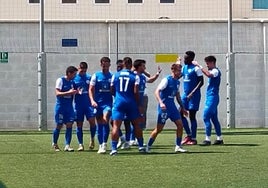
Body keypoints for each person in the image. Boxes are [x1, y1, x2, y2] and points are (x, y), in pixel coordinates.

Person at [146, 63, 187, 153]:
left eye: (180, 71)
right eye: (178, 71)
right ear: (173, 70)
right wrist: (161, 103)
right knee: (159, 129)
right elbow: (157, 91)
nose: (180, 72)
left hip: (172, 107)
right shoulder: (166, 80)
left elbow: (178, 96)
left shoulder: (177, 82)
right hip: (164, 108)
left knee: (180, 125)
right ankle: (148, 146)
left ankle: (178, 146)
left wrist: (183, 108)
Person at [110, 57, 145, 156]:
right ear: (131, 65)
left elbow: (112, 89)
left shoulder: (115, 75)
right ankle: (141, 146)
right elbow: (136, 92)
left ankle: (113, 149)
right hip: (131, 102)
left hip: (119, 102)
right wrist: (139, 104)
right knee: (136, 125)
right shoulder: (135, 76)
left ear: (123, 64)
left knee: (116, 125)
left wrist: (117, 96)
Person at [127, 59, 162, 148]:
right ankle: (130, 139)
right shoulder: (133, 76)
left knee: (139, 121)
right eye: (143, 66)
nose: (145, 68)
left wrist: (157, 74)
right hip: (134, 101)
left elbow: (150, 80)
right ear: (138, 67)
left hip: (141, 101)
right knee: (135, 120)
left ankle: (133, 139)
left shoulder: (142, 76)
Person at [192, 56, 224, 145]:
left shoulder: (215, 71)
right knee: (214, 119)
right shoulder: (212, 70)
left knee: (206, 117)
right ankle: (219, 138)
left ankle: (207, 139)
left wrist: (199, 66)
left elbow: (209, 75)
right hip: (211, 97)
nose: (207, 65)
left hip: (212, 98)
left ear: (213, 62)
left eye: (208, 63)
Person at [89, 57, 113, 154]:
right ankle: (100, 144)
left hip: (107, 104)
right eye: (103, 64)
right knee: (99, 123)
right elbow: (90, 89)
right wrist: (92, 100)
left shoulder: (112, 76)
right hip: (97, 104)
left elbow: (115, 90)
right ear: (101, 64)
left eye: (107, 64)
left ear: (109, 65)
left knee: (105, 119)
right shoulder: (96, 75)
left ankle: (104, 143)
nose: (105, 66)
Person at [52, 66, 78, 152]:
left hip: (69, 107)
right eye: (74, 74)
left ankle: (67, 145)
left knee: (69, 124)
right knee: (59, 125)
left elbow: (75, 90)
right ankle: (55, 143)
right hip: (61, 107)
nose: (75, 76)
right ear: (69, 73)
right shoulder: (60, 80)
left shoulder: (72, 82)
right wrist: (68, 92)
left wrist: (77, 92)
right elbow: (57, 93)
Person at [181, 51, 204, 145]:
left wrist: (192, 92)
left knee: (192, 116)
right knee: (180, 113)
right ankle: (188, 135)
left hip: (194, 96)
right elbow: (178, 76)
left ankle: (193, 139)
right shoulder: (184, 68)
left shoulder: (196, 69)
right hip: (185, 95)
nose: (184, 60)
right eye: (184, 58)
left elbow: (201, 82)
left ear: (191, 58)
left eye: (186, 58)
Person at [73, 62, 97, 151]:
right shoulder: (75, 79)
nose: (82, 70)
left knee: (92, 122)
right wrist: (76, 91)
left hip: (88, 105)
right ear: (78, 68)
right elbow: (72, 90)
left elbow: (93, 90)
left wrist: (94, 101)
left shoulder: (89, 78)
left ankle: (92, 139)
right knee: (79, 124)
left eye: (84, 68)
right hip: (78, 105)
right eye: (81, 68)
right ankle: (80, 144)